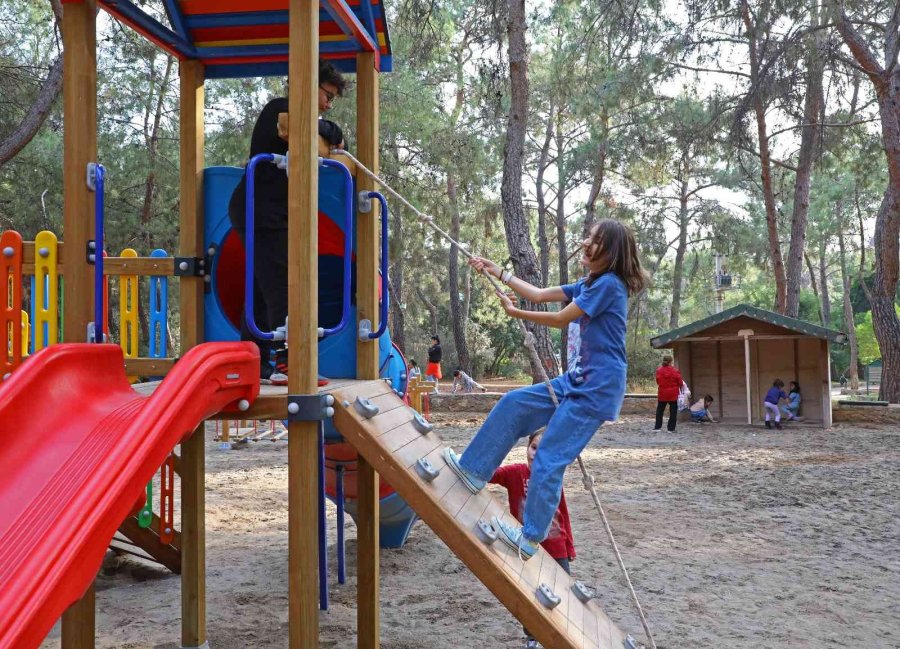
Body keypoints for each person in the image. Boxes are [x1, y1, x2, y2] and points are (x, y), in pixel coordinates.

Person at [443, 219, 647, 559]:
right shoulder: (591, 283)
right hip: (578, 379)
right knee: (515, 403)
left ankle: (530, 537)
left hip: (597, 388)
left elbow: (559, 318)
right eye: (588, 236)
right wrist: (499, 273)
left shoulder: (609, 286)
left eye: (594, 240)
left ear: (610, 252)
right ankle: (474, 470)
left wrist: (514, 312)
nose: (585, 242)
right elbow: (540, 294)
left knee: (549, 457)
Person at [228, 59, 348, 383]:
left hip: (270, 211)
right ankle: (287, 360)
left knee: (262, 288)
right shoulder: (279, 109)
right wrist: (330, 129)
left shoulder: (308, 124)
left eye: (332, 99)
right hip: (258, 208)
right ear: (308, 84)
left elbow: (336, 144)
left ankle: (252, 361)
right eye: (327, 94)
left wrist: (331, 132)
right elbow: (301, 127)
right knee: (282, 281)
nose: (327, 103)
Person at [490, 431, 575, 647]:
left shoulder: (553, 477)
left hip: (556, 548)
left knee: (562, 594)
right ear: (527, 447)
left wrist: (569, 546)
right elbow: (489, 474)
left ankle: (561, 635)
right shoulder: (515, 472)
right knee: (531, 595)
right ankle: (533, 638)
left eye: (544, 450)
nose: (536, 454)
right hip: (527, 548)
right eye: (534, 447)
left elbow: (562, 512)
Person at [654, 354, 683, 432]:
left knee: (660, 410)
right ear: (671, 361)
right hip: (673, 394)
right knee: (673, 411)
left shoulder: (659, 370)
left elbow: (658, 381)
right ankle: (671, 429)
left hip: (662, 393)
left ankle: (657, 427)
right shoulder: (675, 371)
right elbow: (680, 383)